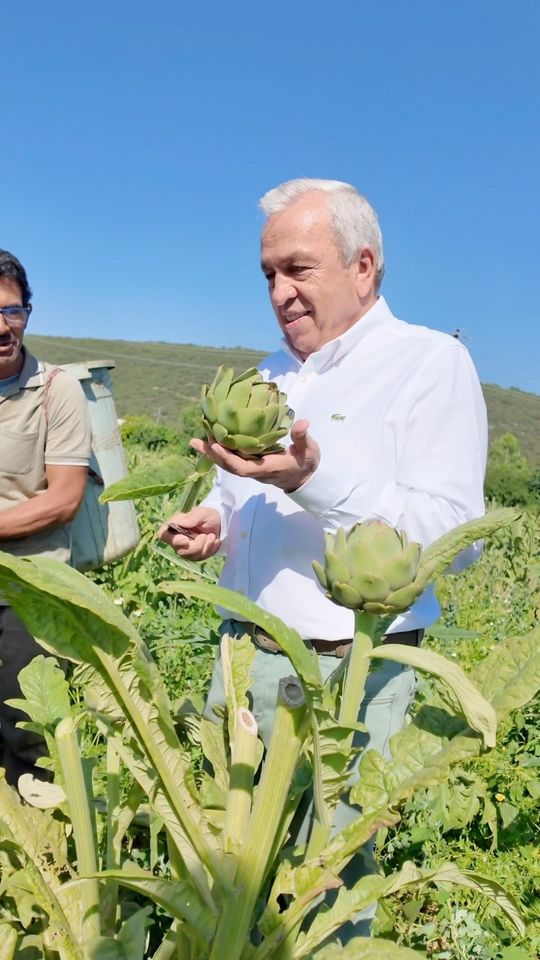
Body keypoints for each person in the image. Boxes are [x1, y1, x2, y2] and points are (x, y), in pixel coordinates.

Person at [159, 178, 487, 939]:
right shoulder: (265, 376)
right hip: (241, 662)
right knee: (224, 876)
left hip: (352, 678)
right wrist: (215, 525)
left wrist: (315, 479)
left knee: (323, 896)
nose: (279, 291)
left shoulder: (429, 365)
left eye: (299, 268)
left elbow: (454, 535)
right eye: (268, 273)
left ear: (363, 265)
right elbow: (242, 501)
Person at [0, 249, 91, 787]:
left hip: (29, 592)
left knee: (28, 734)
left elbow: (63, 499)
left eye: (11, 311)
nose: (1, 326)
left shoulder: (57, 390)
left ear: (27, 314)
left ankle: (49, 857)